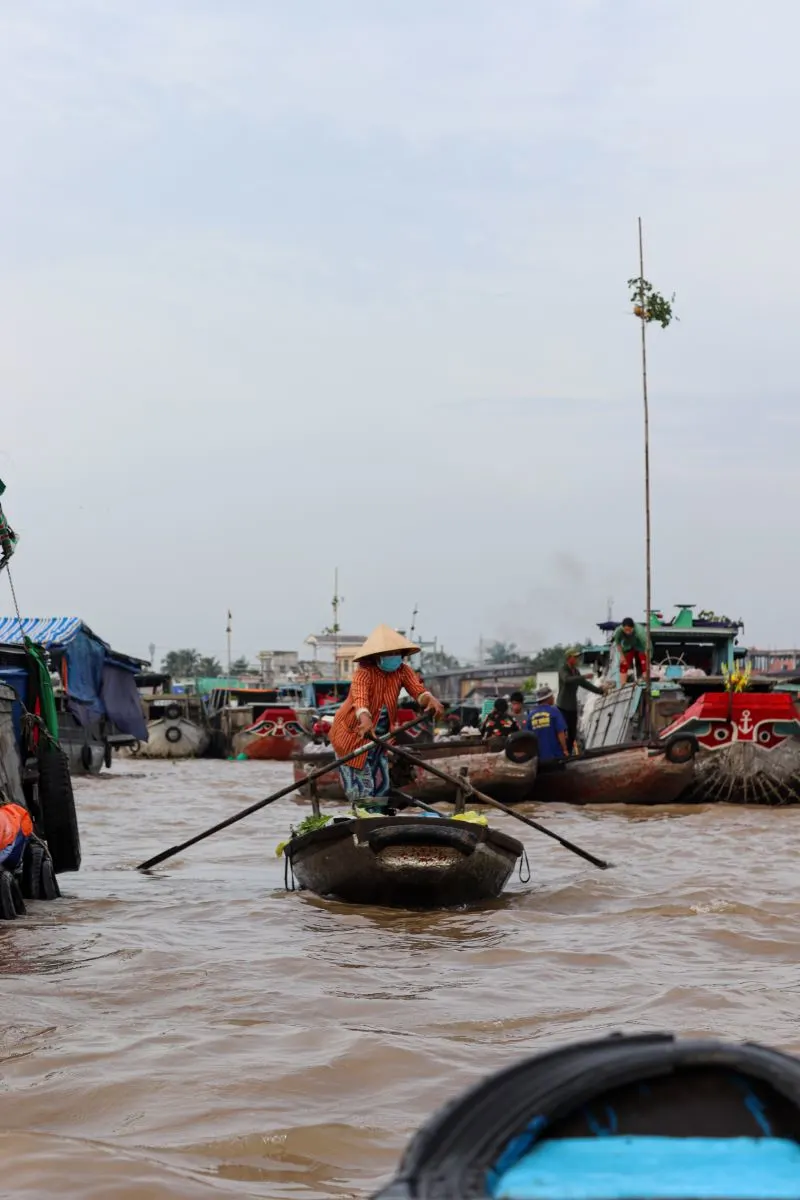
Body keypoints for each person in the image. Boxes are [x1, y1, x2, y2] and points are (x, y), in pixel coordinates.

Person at [328, 625, 445, 812]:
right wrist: (365, 719)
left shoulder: (403, 671)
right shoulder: (363, 674)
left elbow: (418, 691)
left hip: (380, 738)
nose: (394, 656)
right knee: (362, 786)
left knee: (381, 784)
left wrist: (430, 699)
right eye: (390, 652)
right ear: (377, 655)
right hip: (352, 735)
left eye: (397, 652)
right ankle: (366, 819)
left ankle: (378, 817)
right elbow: (360, 700)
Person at [557, 646, 609, 754]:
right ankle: (562, 752)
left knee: (572, 733)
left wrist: (600, 691)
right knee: (563, 732)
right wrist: (584, 676)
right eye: (575, 657)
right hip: (562, 707)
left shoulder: (575, 671)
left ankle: (569, 755)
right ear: (569, 658)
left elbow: (585, 684)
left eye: (578, 657)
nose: (577, 659)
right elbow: (567, 680)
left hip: (572, 707)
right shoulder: (563, 669)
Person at [525, 685, 569, 762]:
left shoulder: (531, 715)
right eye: (552, 696)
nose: (554, 698)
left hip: (538, 759)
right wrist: (565, 749)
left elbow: (528, 738)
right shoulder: (554, 712)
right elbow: (560, 733)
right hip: (555, 756)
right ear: (548, 698)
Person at [612, 617, 648, 686]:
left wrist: (648, 657)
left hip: (640, 646)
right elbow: (618, 644)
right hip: (628, 646)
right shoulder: (618, 631)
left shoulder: (640, 632)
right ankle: (622, 685)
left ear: (633, 628)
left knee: (644, 663)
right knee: (623, 664)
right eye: (625, 630)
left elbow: (647, 645)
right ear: (622, 628)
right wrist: (622, 657)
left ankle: (646, 681)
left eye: (629, 630)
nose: (627, 632)